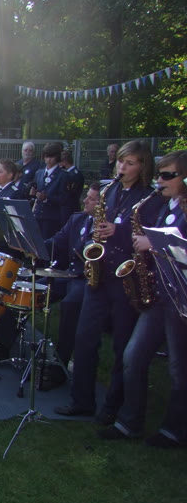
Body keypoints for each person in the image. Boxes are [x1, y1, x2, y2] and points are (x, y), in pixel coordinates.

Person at [55, 140, 159, 423]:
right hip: (99, 275)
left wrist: (118, 231)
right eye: (121, 161)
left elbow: (150, 237)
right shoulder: (109, 191)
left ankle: (113, 406)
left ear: (143, 167)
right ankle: (82, 400)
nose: (122, 167)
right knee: (84, 339)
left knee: (121, 345)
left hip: (127, 278)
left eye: (130, 163)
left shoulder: (149, 198)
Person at [98, 151, 187, 448]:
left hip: (180, 299)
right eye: (160, 174)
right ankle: (129, 423)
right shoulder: (165, 205)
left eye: (168, 175)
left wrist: (154, 243)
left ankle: (174, 431)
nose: (160, 180)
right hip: (159, 294)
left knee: (179, 368)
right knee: (133, 357)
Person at [46, 182, 100, 366]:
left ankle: (60, 362)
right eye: (87, 196)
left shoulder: (107, 227)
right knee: (29, 284)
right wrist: (33, 246)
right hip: (68, 274)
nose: (85, 201)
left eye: (92, 199)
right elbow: (57, 241)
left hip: (87, 280)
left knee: (70, 304)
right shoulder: (77, 219)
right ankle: (2, 343)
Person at [31, 142, 68, 239]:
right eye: (46, 156)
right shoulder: (39, 173)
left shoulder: (63, 175)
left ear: (57, 157)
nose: (49, 159)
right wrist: (34, 193)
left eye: (52, 156)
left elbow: (64, 199)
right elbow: (36, 189)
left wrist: (47, 198)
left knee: (47, 244)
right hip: (37, 216)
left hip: (52, 219)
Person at [60, 148, 84, 222]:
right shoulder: (70, 173)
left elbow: (70, 193)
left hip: (70, 208)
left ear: (64, 162)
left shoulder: (73, 175)